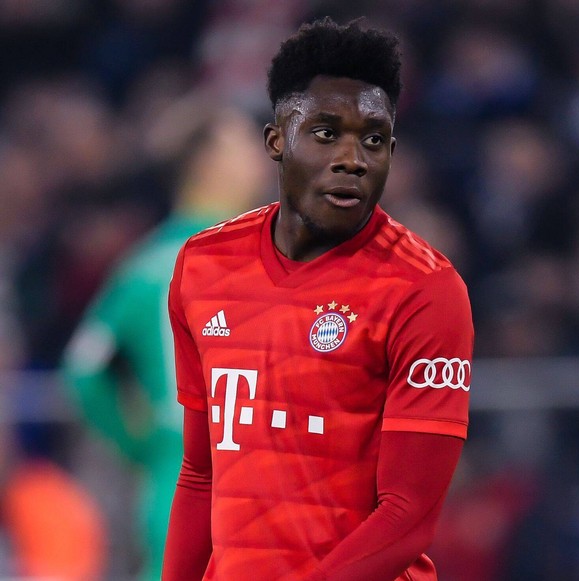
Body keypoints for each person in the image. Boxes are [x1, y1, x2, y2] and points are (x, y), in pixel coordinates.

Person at [161, 17, 474, 581]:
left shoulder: (425, 291)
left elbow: (408, 515)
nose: (353, 158)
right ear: (277, 140)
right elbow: (200, 474)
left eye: (373, 139)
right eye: (327, 133)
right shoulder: (202, 267)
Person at [60, 98, 269, 580]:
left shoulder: (146, 264)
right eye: (244, 145)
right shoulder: (257, 263)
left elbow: (85, 371)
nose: (261, 160)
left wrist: (143, 442)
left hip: (176, 479)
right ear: (206, 161)